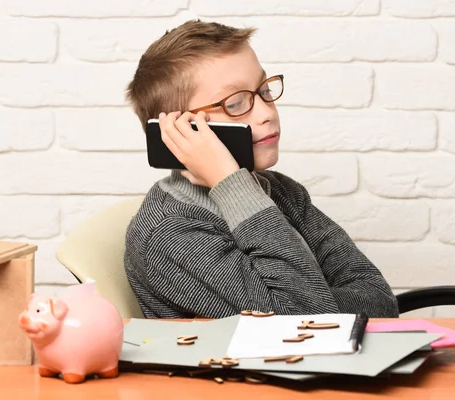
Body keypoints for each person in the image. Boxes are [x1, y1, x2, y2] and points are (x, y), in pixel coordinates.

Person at [123, 19, 399, 319]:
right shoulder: (171, 233)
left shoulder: (279, 191)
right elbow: (305, 325)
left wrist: (323, 306)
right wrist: (230, 183)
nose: (267, 112)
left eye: (264, 90)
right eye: (236, 102)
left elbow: (379, 300)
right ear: (181, 130)